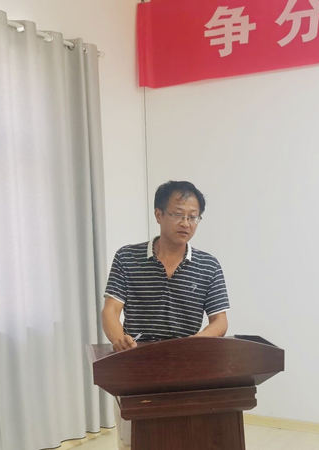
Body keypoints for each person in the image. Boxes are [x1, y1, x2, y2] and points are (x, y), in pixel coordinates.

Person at [101, 180, 230, 450]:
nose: (186, 223)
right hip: (137, 363)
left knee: (185, 438)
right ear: (159, 214)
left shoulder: (208, 265)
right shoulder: (127, 257)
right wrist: (118, 339)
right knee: (134, 441)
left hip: (186, 366)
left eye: (193, 217)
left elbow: (219, 321)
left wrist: (195, 343)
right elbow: (111, 310)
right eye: (178, 214)